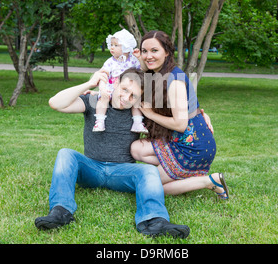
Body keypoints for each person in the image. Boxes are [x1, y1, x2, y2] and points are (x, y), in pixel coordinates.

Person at [34, 68, 190, 238]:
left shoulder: (139, 113)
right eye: (124, 90)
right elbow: (55, 103)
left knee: (148, 170)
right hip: (92, 168)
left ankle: (154, 220)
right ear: (115, 83)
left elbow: (177, 117)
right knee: (66, 153)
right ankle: (60, 212)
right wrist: (89, 84)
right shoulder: (94, 101)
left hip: (122, 173)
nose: (126, 98)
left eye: (133, 96)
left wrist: (204, 117)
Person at [131, 30, 229, 200]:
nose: (148, 56)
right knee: (136, 149)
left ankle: (209, 181)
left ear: (167, 52)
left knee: (148, 184)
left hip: (194, 149)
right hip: (178, 142)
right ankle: (179, 171)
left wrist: (150, 114)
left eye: (155, 51)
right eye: (145, 51)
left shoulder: (174, 81)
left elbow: (180, 125)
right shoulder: (158, 73)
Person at [93, 29, 147, 134]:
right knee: (102, 99)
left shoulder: (133, 60)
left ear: (126, 47)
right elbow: (103, 76)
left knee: (137, 101)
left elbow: (143, 69)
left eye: (116, 45)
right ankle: (99, 120)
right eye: (111, 45)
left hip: (128, 90)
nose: (112, 47)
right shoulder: (110, 62)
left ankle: (137, 122)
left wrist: (140, 58)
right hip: (112, 88)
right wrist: (102, 89)